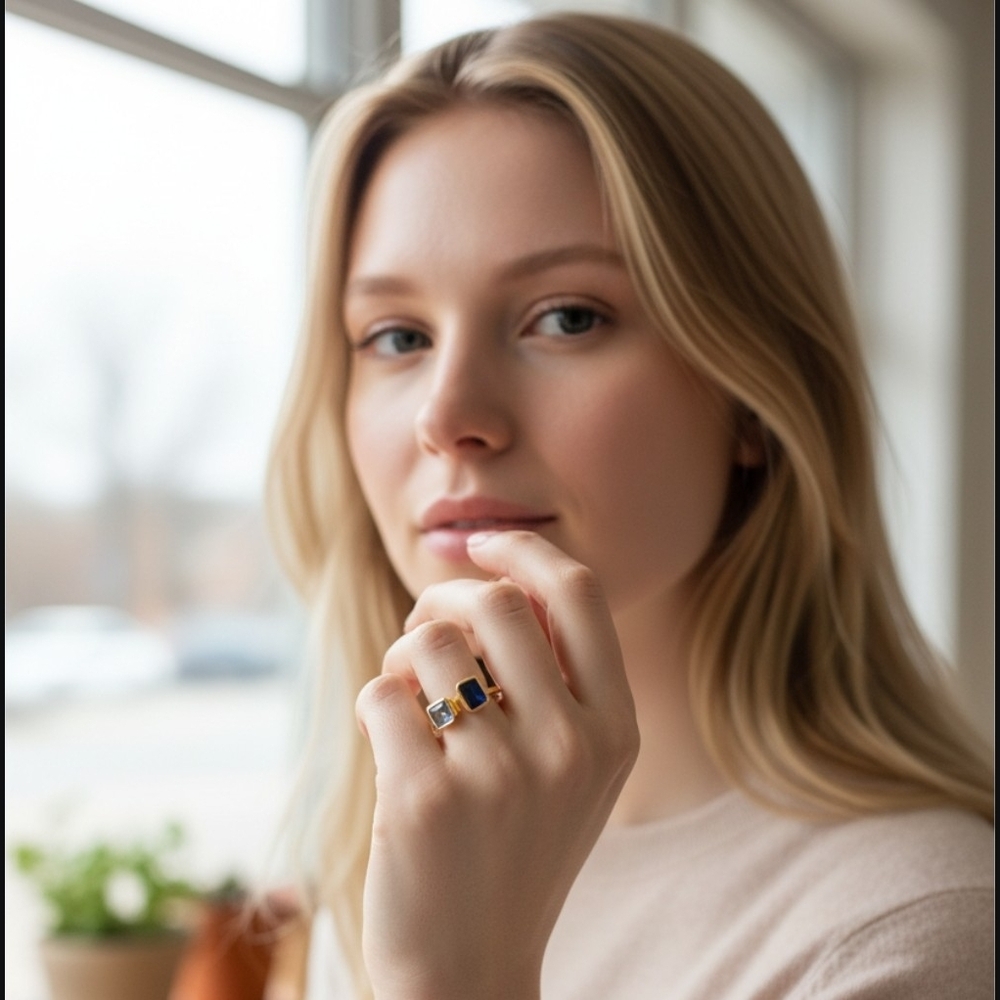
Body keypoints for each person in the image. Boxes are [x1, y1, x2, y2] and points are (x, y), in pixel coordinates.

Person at [266, 13, 993, 1000]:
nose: (447, 416)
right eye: (395, 336)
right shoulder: (391, 844)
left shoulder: (914, 935)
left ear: (751, 394)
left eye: (567, 317)